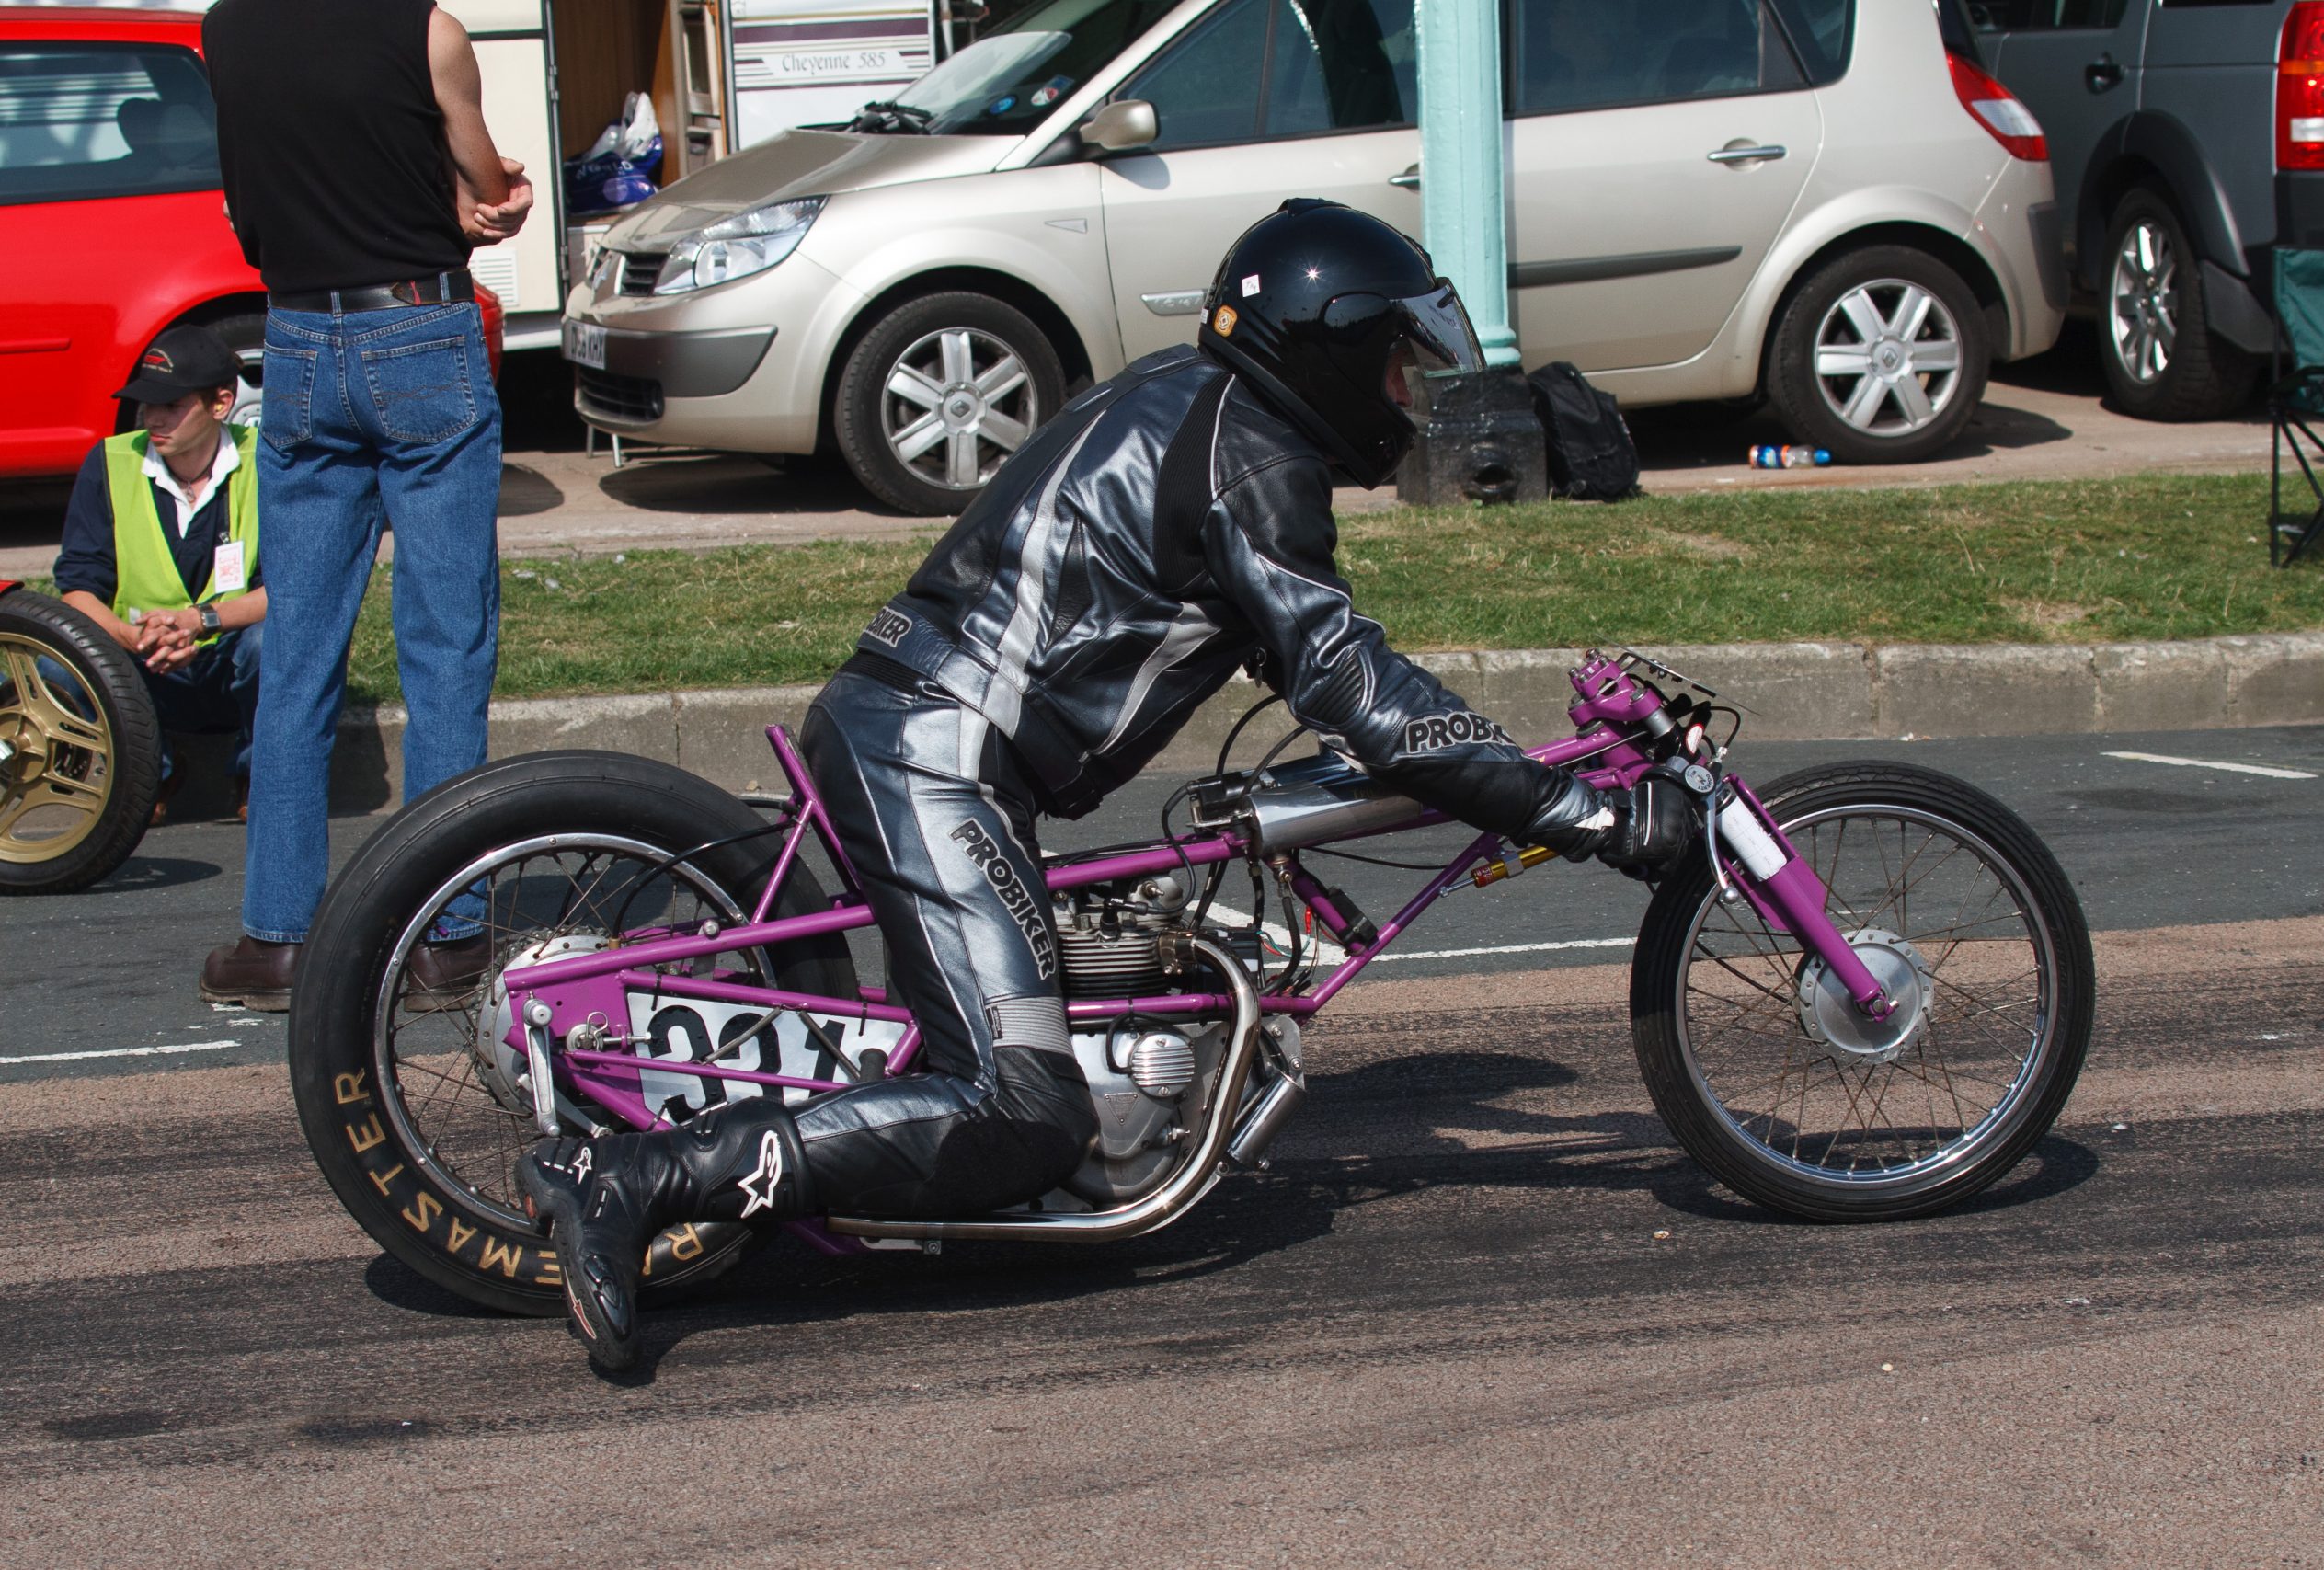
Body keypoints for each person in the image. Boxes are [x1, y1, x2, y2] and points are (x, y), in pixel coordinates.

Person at [516, 200, 1695, 1372]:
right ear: (1325, 346)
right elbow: (1351, 680)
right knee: (1015, 1106)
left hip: (928, 728)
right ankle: (630, 1176)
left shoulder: (1188, 394)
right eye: (1391, 363)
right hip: (939, 748)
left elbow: (1326, 665)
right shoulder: (1256, 461)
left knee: (1034, 1039)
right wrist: (1580, 813)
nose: (1402, 394)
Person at [195, 0, 533, 1009]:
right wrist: (495, 200)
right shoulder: (426, 30)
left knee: (297, 651)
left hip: (296, 336)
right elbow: (483, 183)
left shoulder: (226, 27)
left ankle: (278, 940)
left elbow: (262, 182)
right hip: (418, 330)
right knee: (444, 644)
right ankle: (443, 936)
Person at [51, 326, 265, 823]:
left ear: (221, 403)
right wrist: (132, 636)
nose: (154, 419)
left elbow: (290, 592)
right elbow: (77, 588)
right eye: (147, 404)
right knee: (56, 663)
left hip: (229, 653)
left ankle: (260, 772)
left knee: (274, 642)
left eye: (171, 405)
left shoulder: (267, 461)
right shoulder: (109, 463)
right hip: (141, 663)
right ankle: (153, 769)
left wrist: (199, 622)